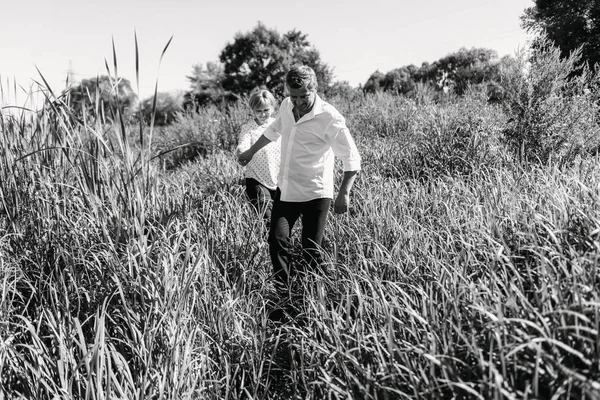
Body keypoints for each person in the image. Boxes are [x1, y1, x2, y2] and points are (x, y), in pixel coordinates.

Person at [237, 66, 361, 302]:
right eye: (293, 96)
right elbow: (274, 130)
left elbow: (351, 158)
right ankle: (286, 293)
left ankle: (322, 297)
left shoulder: (329, 117)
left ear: (314, 89)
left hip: (316, 193)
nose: (298, 102)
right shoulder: (285, 106)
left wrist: (344, 192)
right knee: (277, 240)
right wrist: (251, 152)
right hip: (286, 190)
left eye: (304, 96)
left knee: (311, 250)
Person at [236, 89, 280, 227]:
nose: (263, 114)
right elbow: (242, 144)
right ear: (253, 110)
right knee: (267, 220)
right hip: (257, 180)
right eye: (258, 111)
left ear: (273, 108)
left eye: (266, 110)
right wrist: (241, 153)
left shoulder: (279, 125)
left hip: (279, 181)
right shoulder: (248, 128)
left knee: (280, 222)